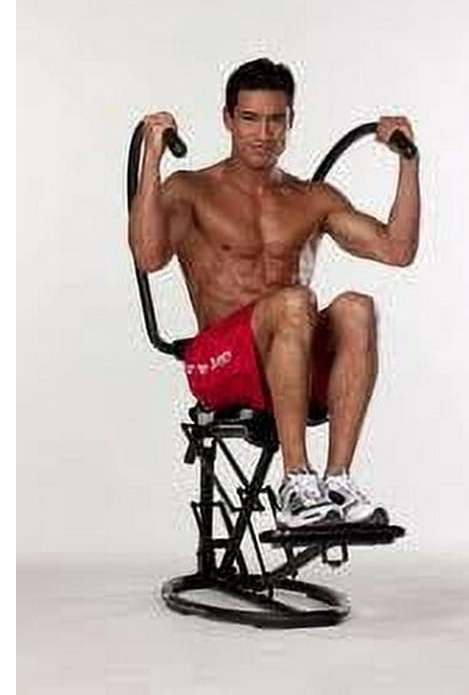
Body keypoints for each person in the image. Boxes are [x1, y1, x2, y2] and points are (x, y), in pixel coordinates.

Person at [128, 58, 420, 529]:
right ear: (228, 119)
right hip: (220, 367)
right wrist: (152, 161)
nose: (263, 134)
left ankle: (337, 483)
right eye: (249, 118)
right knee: (294, 301)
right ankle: (295, 482)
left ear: (290, 121)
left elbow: (397, 250)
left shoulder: (312, 198)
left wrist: (409, 163)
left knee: (356, 308)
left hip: (292, 364)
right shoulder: (191, 189)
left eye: (275, 120)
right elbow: (148, 255)